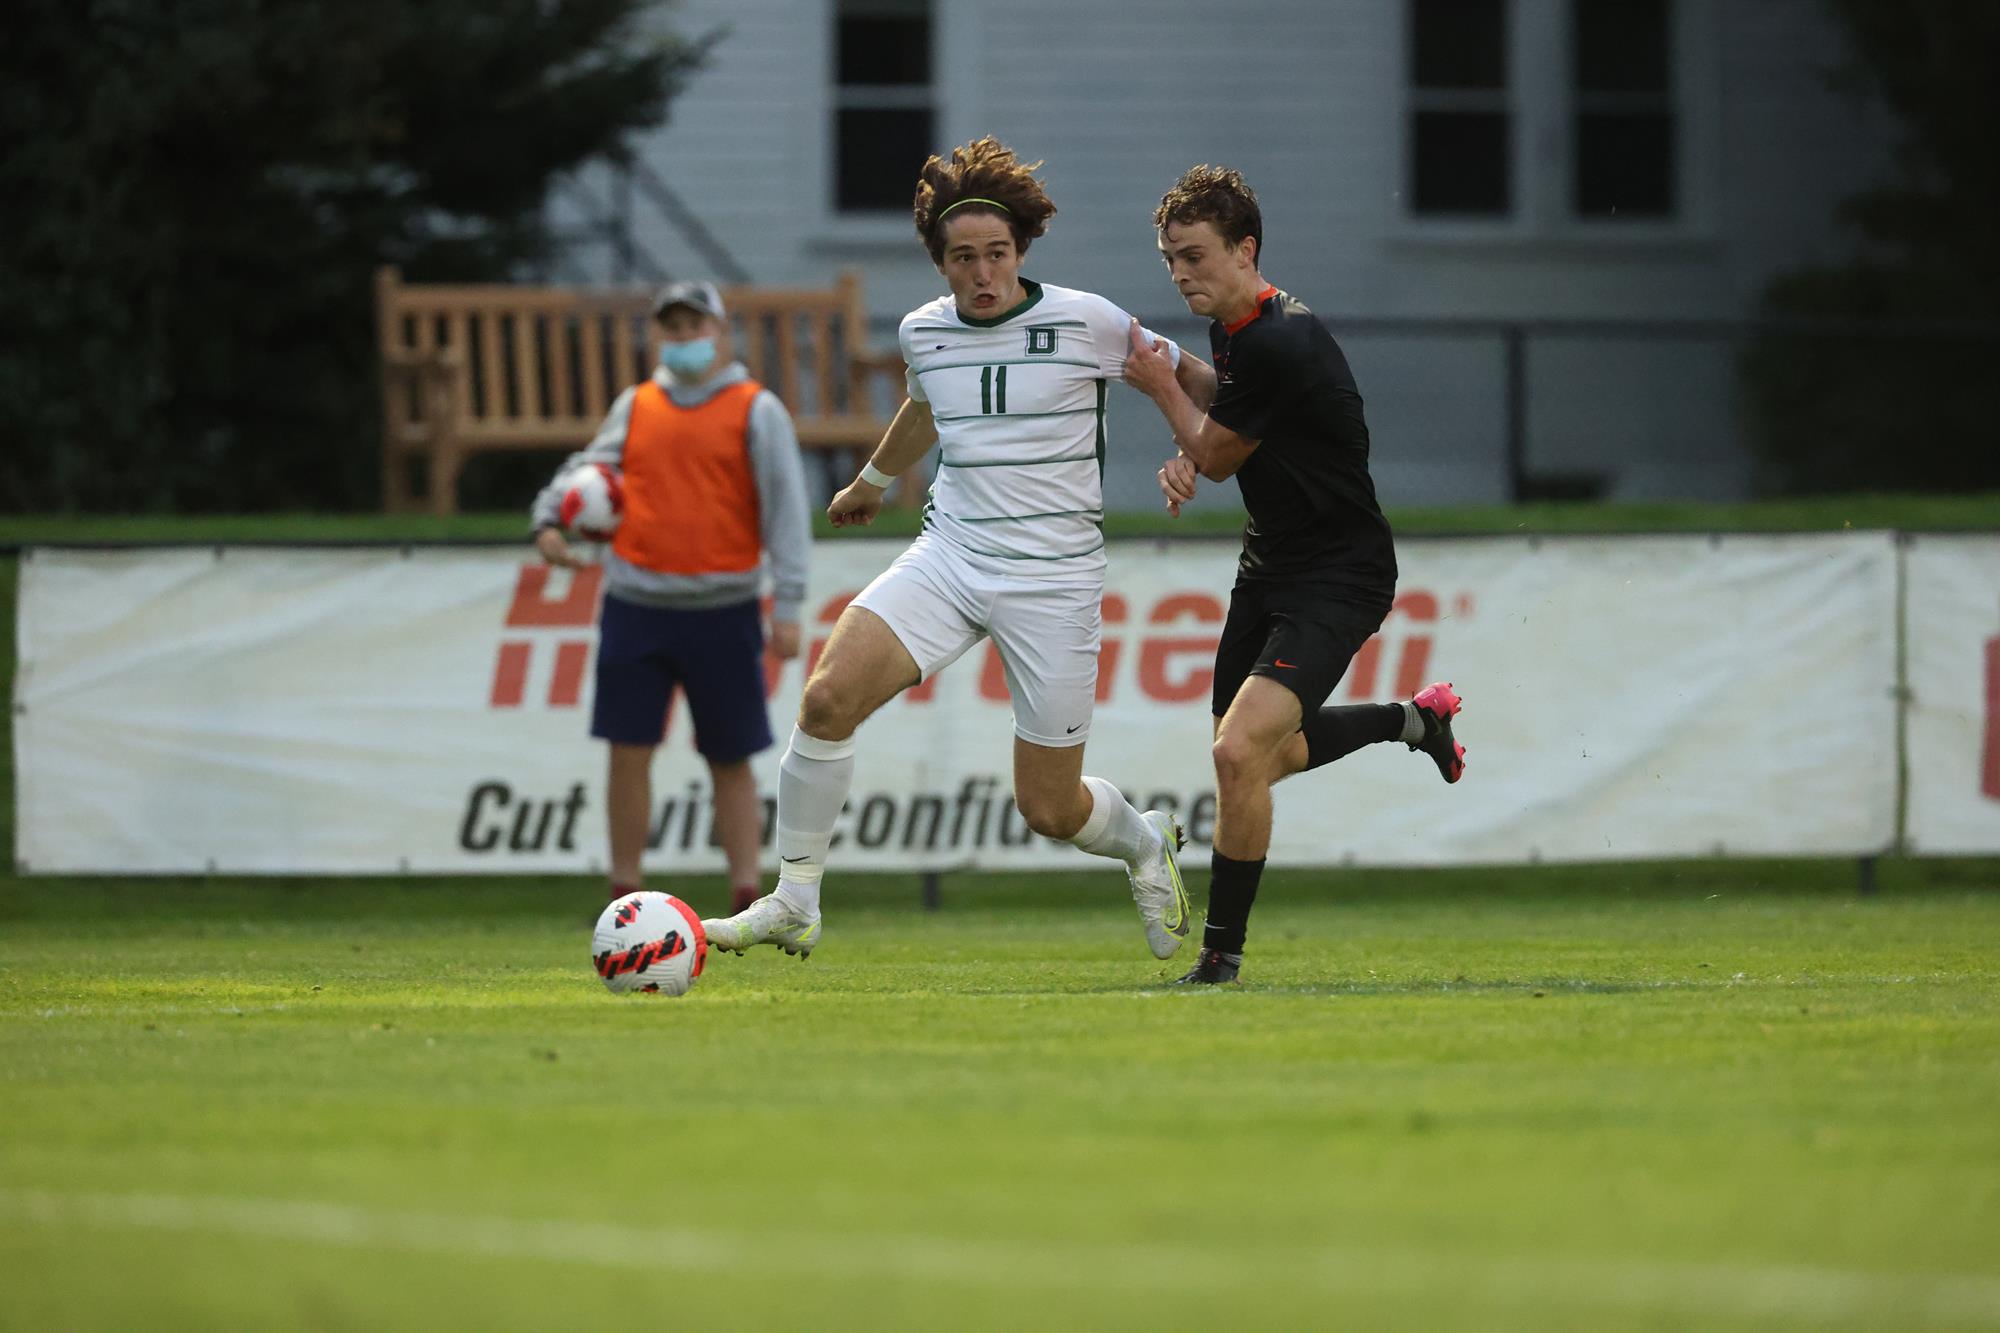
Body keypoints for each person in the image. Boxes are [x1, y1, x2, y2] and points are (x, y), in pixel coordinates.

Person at [703, 137, 1207, 963]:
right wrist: (871, 479)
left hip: (1054, 580)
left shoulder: (1090, 320)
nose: (983, 272)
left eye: (997, 254)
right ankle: (795, 899)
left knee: (1048, 808)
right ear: (940, 263)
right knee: (826, 700)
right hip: (952, 557)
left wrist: (1195, 448)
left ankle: (1144, 842)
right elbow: (927, 407)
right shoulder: (923, 333)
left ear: (1022, 251)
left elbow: (1200, 381)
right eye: (964, 257)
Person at [1121, 166, 1467, 986]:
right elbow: (1229, 415)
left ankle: (1220, 960)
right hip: (1269, 566)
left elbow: (1213, 452)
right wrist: (1183, 398)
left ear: (1246, 249)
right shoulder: (1242, 331)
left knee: (1242, 753)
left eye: (1195, 256)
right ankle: (1410, 722)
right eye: (1171, 258)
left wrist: (1163, 392)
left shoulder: (1280, 339)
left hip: (1338, 575)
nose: (1180, 273)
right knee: (1254, 759)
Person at [531, 279, 810, 915]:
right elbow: (587, 472)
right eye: (673, 329)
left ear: (721, 333)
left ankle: (747, 895)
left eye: (695, 327)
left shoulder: (754, 408)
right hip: (637, 604)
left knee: (730, 757)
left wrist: (788, 607)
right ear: (660, 336)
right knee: (627, 753)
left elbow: (786, 514)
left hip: (725, 608)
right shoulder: (637, 405)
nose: (684, 340)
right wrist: (547, 520)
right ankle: (622, 893)